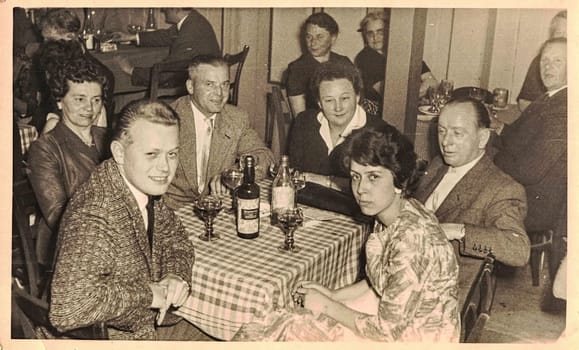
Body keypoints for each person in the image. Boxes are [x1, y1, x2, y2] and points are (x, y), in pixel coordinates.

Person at [236, 124, 459, 341]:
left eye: (373, 177)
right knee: (281, 321)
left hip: (418, 338)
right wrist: (333, 295)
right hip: (403, 324)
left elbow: (387, 333)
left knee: (288, 329)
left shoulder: (411, 241)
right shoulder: (396, 212)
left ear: (399, 180)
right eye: (355, 176)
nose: (361, 189)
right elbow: (385, 281)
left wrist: (327, 305)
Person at [49, 100, 196, 340]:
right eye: (152, 154)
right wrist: (150, 294)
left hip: (144, 326)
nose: (165, 167)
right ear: (119, 152)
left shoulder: (141, 185)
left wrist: (175, 275)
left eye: (172, 154)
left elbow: (176, 238)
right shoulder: (95, 215)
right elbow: (67, 309)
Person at [413, 98, 530, 290]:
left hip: (443, 287)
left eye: (457, 133)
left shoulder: (502, 188)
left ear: (482, 138)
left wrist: (457, 230)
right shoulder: (438, 164)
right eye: (442, 131)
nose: (446, 142)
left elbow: (519, 250)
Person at [494, 38, 567, 308]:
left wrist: (490, 167)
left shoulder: (566, 107)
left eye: (557, 61)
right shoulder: (549, 98)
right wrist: (498, 128)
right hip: (524, 187)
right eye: (544, 61)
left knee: (467, 195)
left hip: (536, 202)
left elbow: (530, 170)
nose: (547, 67)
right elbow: (518, 138)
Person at [28, 57, 109, 269]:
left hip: (111, 238)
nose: (90, 108)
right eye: (79, 99)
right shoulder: (45, 148)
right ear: (59, 101)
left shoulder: (109, 138)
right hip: (66, 249)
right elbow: (58, 215)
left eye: (96, 100)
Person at [165, 55, 274, 208]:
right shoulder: (167, 119)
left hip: (217, 207)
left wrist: (234, 174)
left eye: (224, 85)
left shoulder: (236, 118)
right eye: (210, 84)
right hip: (172, 209)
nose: (220, 93)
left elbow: (265, 156)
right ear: (190, 86)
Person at [287, 61, 389, 193]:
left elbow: (377, 186)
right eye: (329, 100)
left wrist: (325, 181)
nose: (338, 107)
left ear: (357, 96)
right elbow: (294, 175)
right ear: (319, 102)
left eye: (345, 98)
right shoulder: (304, 123)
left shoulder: (378, 131)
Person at [32, 8, 115, 133]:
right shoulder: (54, 62)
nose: (44, 46)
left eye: (49, 40)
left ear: (70, 37)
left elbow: (96, 126)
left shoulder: (97, 75)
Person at [112, 8, 220, 87]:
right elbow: (166, 35)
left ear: (176, 9)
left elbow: (166, 73)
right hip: (203, 77)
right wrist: (131, 37)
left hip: (202, 85)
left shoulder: (190, 32)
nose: (163, 10)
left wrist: (131, 70)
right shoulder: (193, 19)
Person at [354, 11, 436, 106]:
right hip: (378, 112)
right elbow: (393, 95)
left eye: (380, 32)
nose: (375, 37)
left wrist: (414, 92)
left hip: (406, 106)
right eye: (370, 33)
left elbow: (432, 82)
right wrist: (421, 89)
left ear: (390, 32)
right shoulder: (365, 57)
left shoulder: (402, 51)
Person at [286, 12, 352, 116]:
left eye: (319, 37)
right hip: (314, 125)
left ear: (333, 38)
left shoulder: (344, 63)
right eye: (309, 37)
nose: (313, 43)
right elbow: (300, 117)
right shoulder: (298, 68)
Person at [517, 10, 566, 112]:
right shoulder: (542, 62)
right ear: (552, 36)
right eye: (559, 33)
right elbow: (524, 101)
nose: (564, 38)